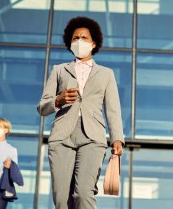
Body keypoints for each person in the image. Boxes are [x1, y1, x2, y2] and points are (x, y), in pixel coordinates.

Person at [37, 16, 125, 209]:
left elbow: (113, 109)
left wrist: (117, 138)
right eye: (75, 38)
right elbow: (42, 107)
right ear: (70, 43)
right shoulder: (59, 70)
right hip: (62, 137)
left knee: (83, 194)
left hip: (92, 137)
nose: (79, 41)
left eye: (84, 38)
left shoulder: (106, 74)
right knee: (61, 198)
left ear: (93, 43)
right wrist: (58, 100)